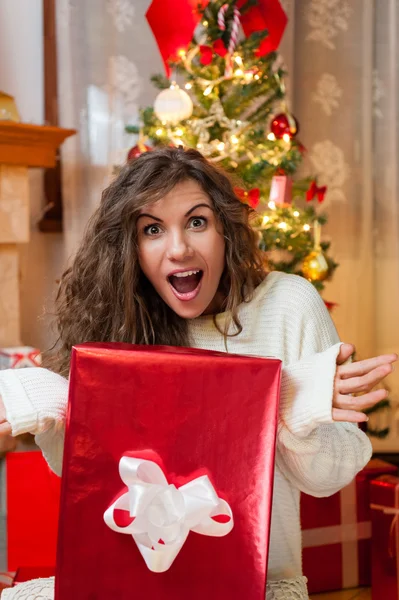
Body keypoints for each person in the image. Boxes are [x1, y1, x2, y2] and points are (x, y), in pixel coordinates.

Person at [0, 147, 396, 600]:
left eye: (196, 221)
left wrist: (292, 412)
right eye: (152, 229)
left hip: (262, 584)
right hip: (130, 578)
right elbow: (98, 481)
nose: (179, 248)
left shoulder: (288, 304)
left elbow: (328, 481)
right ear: (130, 249)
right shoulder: (123, 319)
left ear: (224, 228)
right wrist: (60, 408)